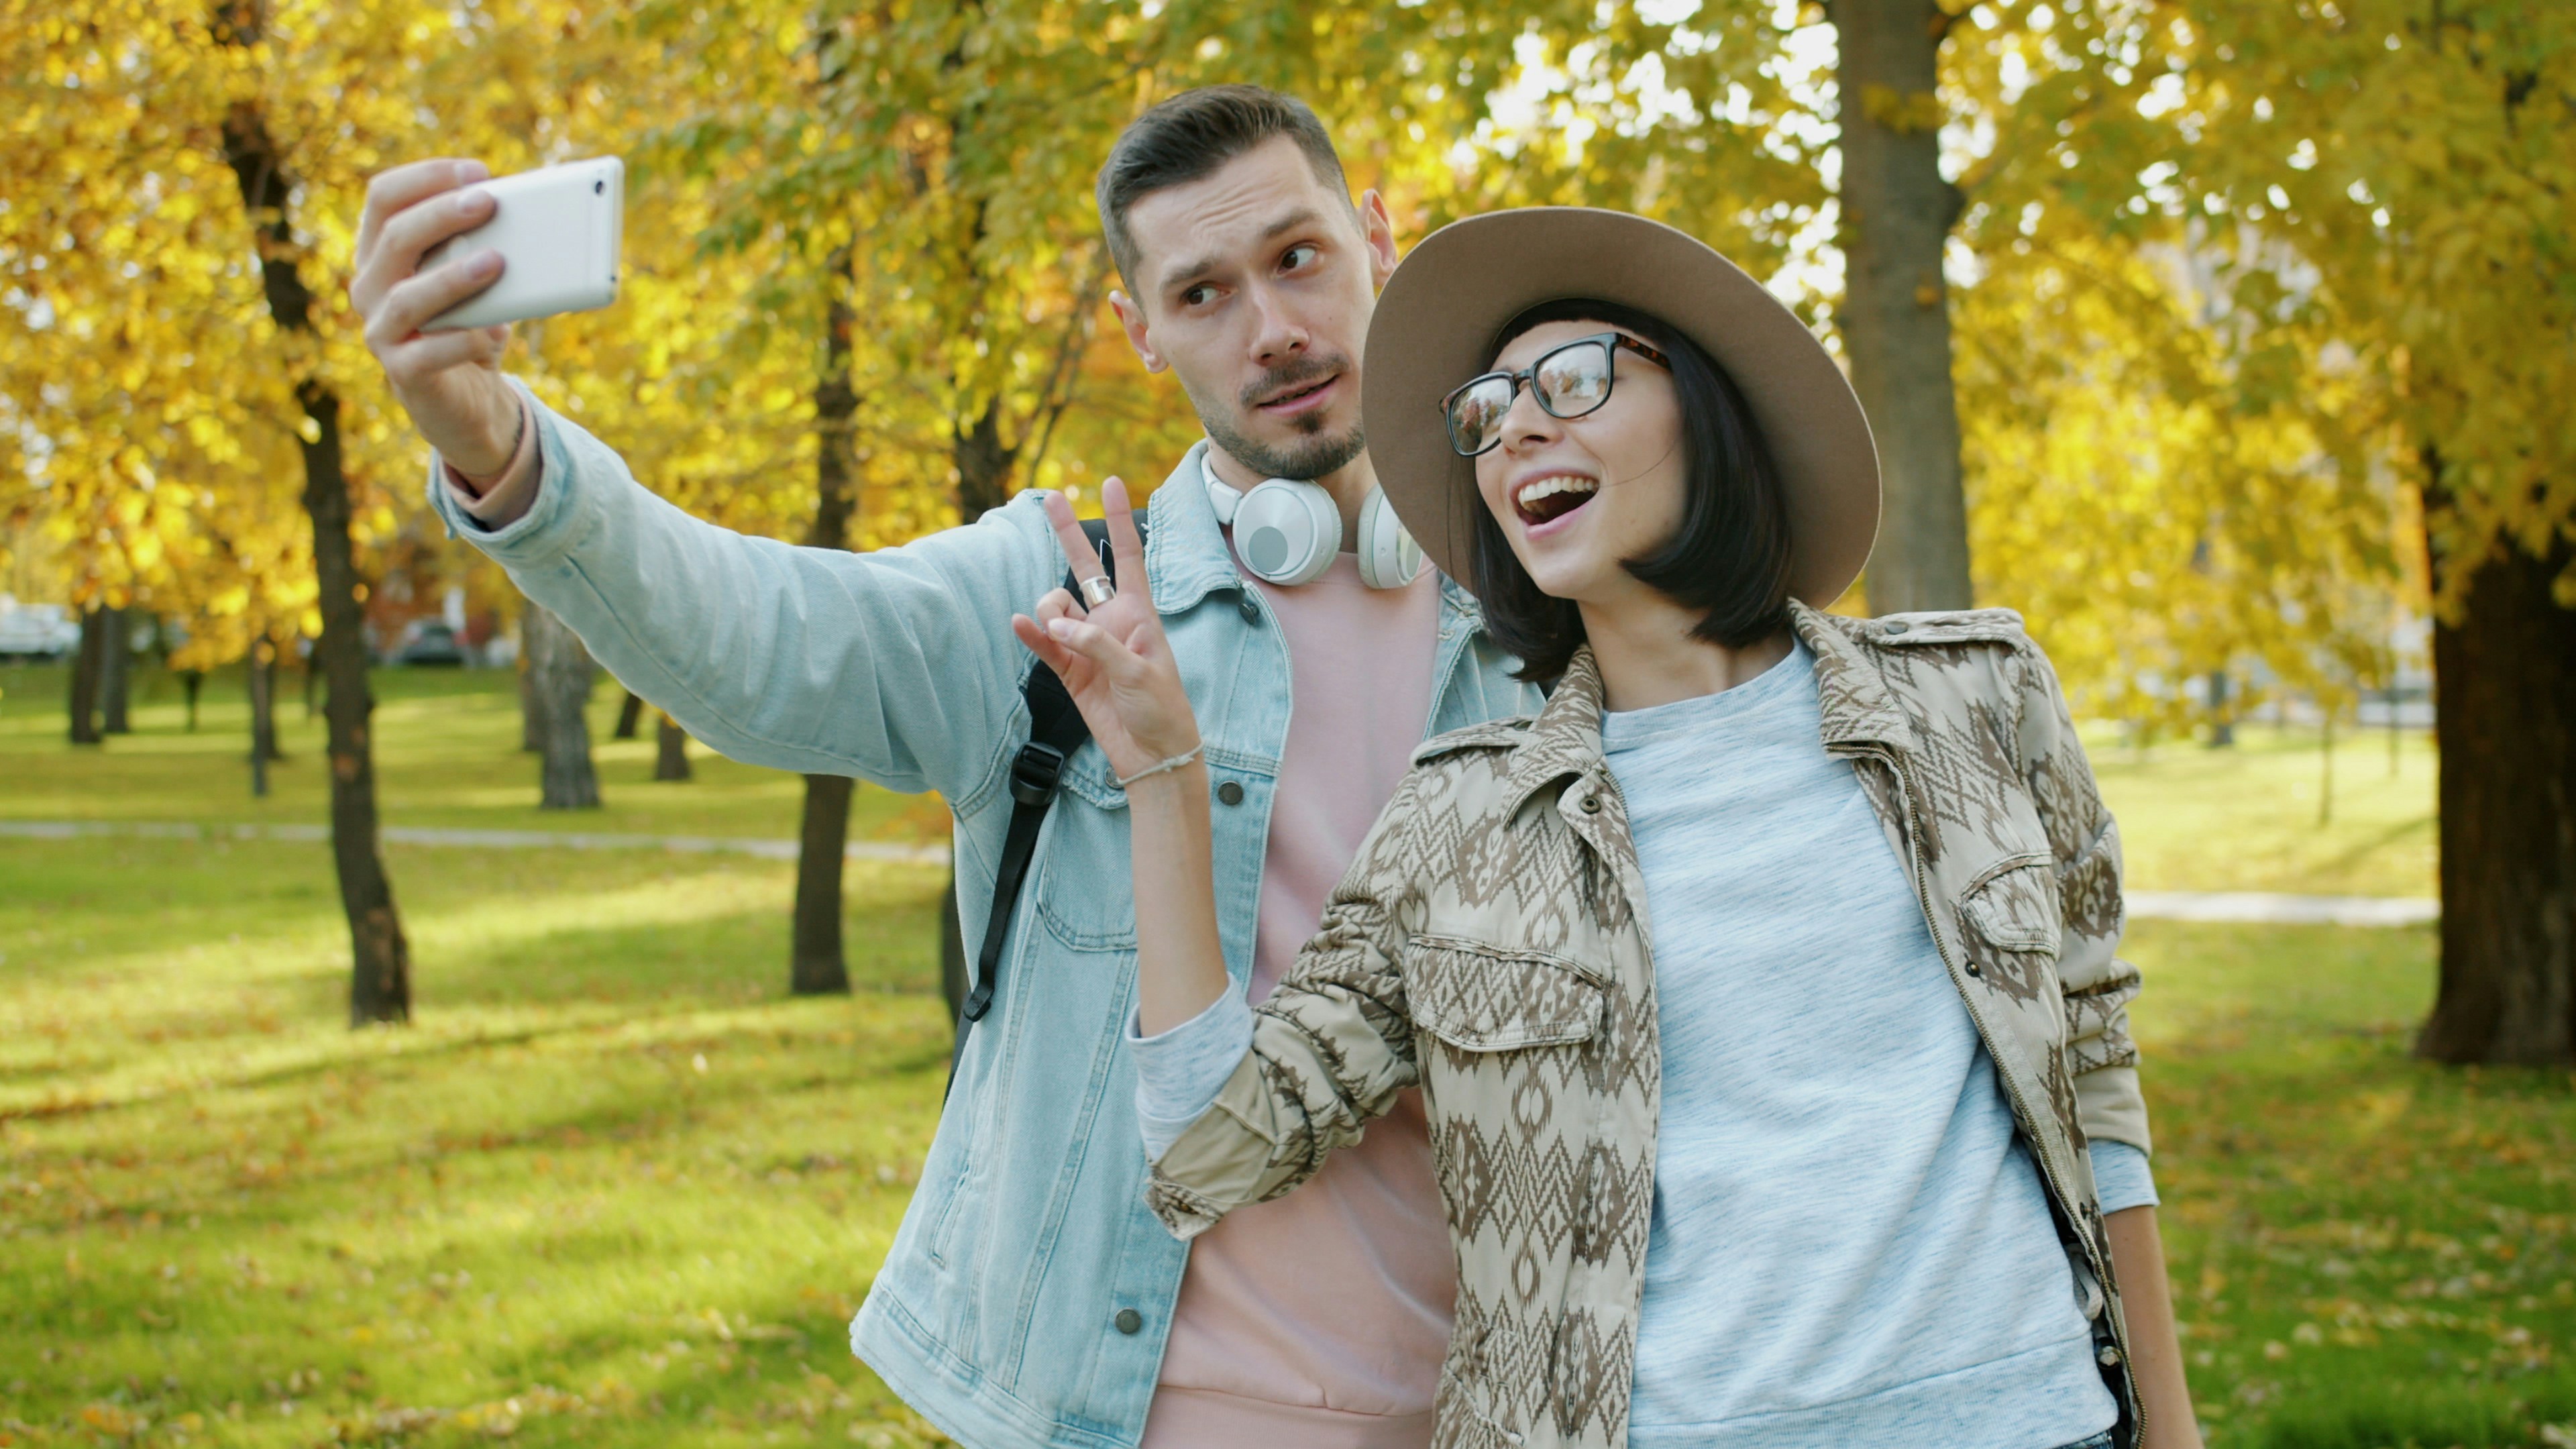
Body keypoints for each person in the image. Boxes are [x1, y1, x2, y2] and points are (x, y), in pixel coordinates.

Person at [349, 88, 1541, 1448]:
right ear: (1137, 332)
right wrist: (496, 445)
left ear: (1380, 235)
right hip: (1114, 1412)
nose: (1270, 329)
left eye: (1298, 258)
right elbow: (758, 636)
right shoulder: (1061, 600)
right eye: (1200, 293)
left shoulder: (1548, 614)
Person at [1016, 207, 2203, 1449]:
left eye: (1575, 380)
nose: (1518, 423)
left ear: (1706, 406)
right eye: (1486, 408)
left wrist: (2170, 1431)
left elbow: (2095, 1085)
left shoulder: (1979, 695)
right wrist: (1162, 774)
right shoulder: (1458, 819)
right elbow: (1212, 1148)